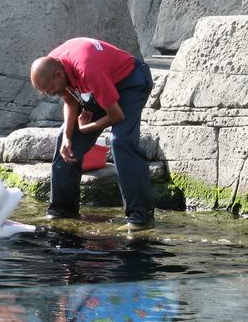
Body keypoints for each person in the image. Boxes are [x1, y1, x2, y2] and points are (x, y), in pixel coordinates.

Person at [30, 38, 155, 231]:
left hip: (130, 82)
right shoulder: (56, 64)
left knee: (120, 141)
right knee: (64, 139)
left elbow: (116, 115)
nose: (53, 94)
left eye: (52, 90)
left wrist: (85, 129)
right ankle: (62, 212)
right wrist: (68, 137)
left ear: (58, 74)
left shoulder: (87, 69)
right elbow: (71, 101)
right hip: (101, 87)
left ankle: (140, 217)